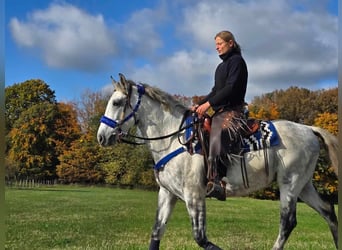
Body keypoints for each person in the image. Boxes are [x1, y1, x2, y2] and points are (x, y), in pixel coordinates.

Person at [193, 30, 248, 201]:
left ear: (230, 43)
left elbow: (230, 88)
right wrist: (200, 104)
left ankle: (218, 180)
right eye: (216, 44)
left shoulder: (237, 62)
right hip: (221, 110)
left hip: (234, 110)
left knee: (218, 130)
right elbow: (216, 91)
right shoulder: (220, 66)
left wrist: (209, 105)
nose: (217, 47)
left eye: (220, 44)